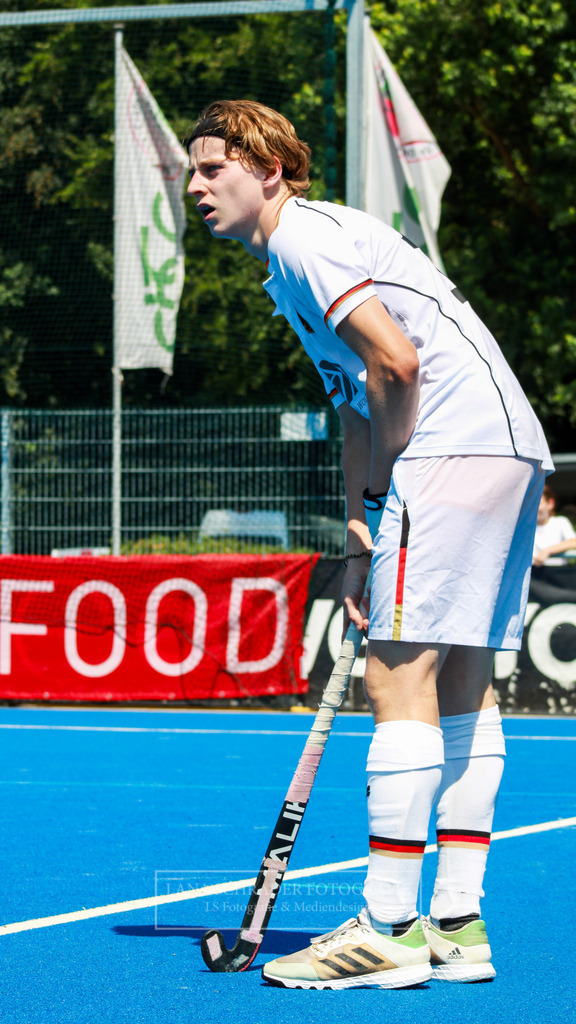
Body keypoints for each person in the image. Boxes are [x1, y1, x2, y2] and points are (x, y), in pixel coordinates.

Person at [185, 100, 553, 990]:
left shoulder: (306, 242)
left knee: (396, 676)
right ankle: (457, 927)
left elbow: (396, 367)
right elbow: (356, 400)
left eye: (212, 169)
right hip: (504, 447)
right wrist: (363, 528)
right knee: (462, 677)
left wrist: (392, 487)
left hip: (451, 445)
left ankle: (386, 925)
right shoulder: (293, 262)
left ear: (268, 170)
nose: (194, 186)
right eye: (193, 172)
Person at [532, 484, 576, 566]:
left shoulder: (560, 522)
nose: (534, 508)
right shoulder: (523, 528)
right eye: (531, 504)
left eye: (539, 503)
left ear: (550, 504)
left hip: (556, 575)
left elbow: (574, 541)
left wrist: (547, 551)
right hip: (533, 576)